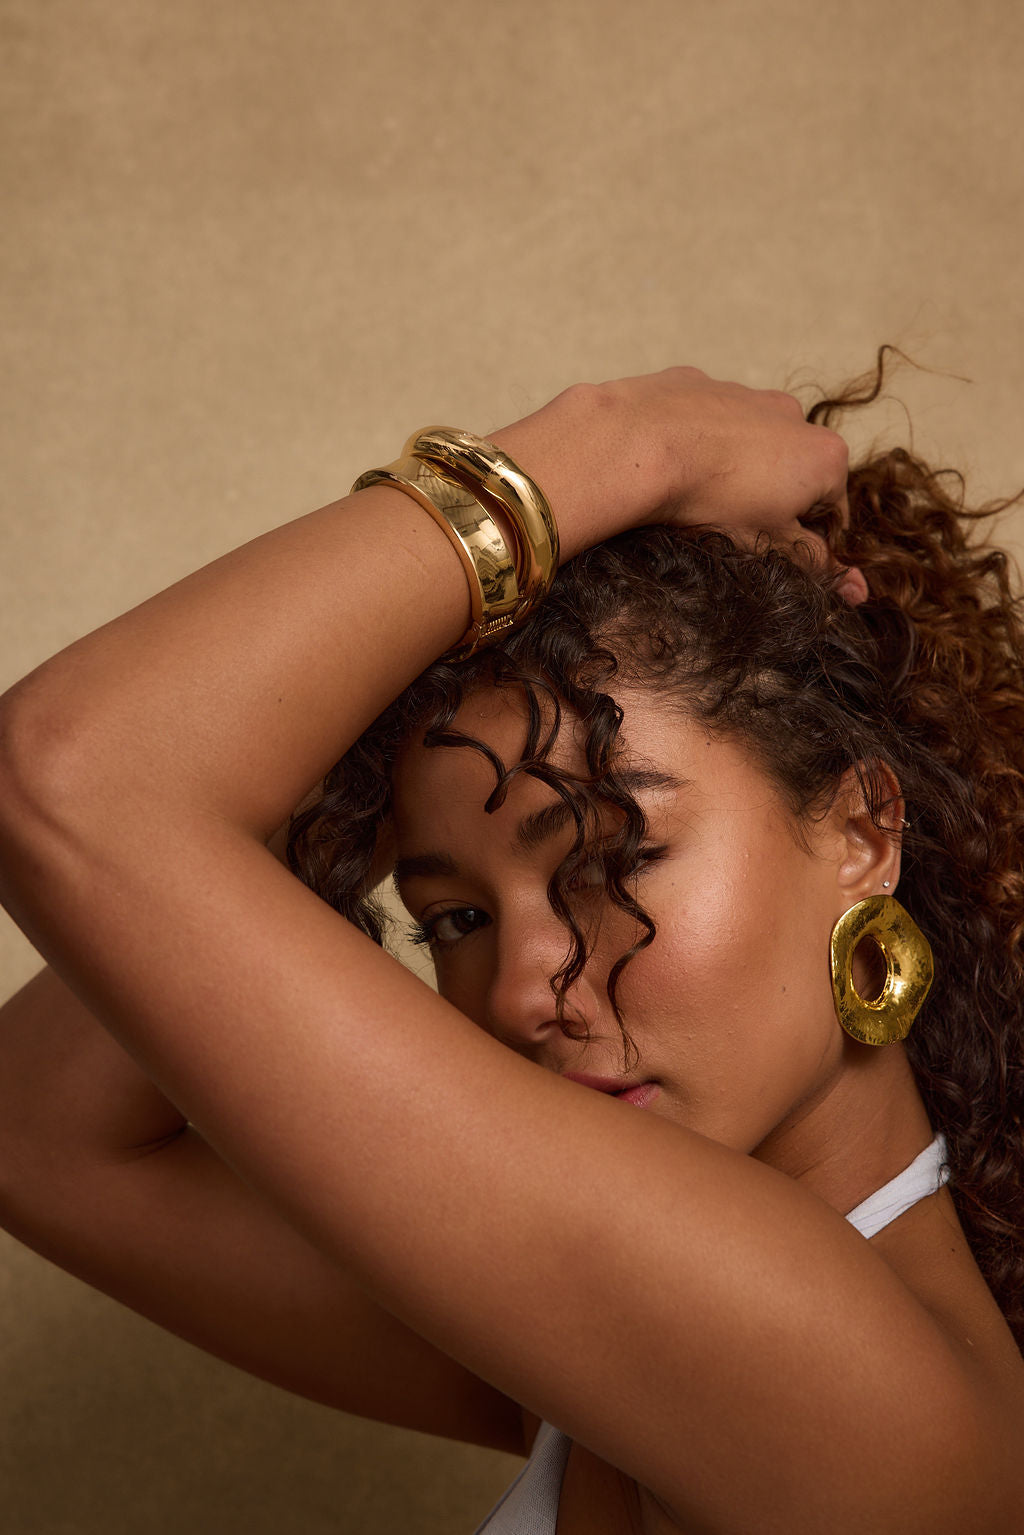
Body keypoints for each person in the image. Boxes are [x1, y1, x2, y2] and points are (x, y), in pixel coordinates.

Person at [0, 362, 1022, 1534]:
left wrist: (622, 442)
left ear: (861, 832)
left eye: (609, 858)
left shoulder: (845, 1387)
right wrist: (394, 749)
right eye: (457, 918)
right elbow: (35, 1130)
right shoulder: (631, 1366)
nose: (524, 987)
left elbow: (68, 776)